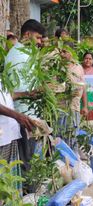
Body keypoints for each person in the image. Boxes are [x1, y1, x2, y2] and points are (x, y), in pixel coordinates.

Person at [5, 19, 45, 171]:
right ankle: (29, 193)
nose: (40, 42)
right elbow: (19, 91)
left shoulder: (26, 54)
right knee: (26, 160)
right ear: (27, 35)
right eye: (38, 37)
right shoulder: (18, 56)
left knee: (30, 158)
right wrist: (33, 93)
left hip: (29, 113)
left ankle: (30, 191)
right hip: (24, 114)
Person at [0, 82, 35, 193]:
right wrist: (17, 116)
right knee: (3, 179)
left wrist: (27, 94)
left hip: (9, 134)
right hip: (2, 137)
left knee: (9, 178)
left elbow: (6, 95)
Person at [58, 42, 88, 152]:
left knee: (73, 135)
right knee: (60, 136)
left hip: (74, 107)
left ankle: (74, 162)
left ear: (71, 52)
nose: (62, 54)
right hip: (61, 108)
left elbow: (83, 87)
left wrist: (85, 106)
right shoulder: (56, 68)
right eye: (61, 51)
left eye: (65, 51)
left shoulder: (78, 67)